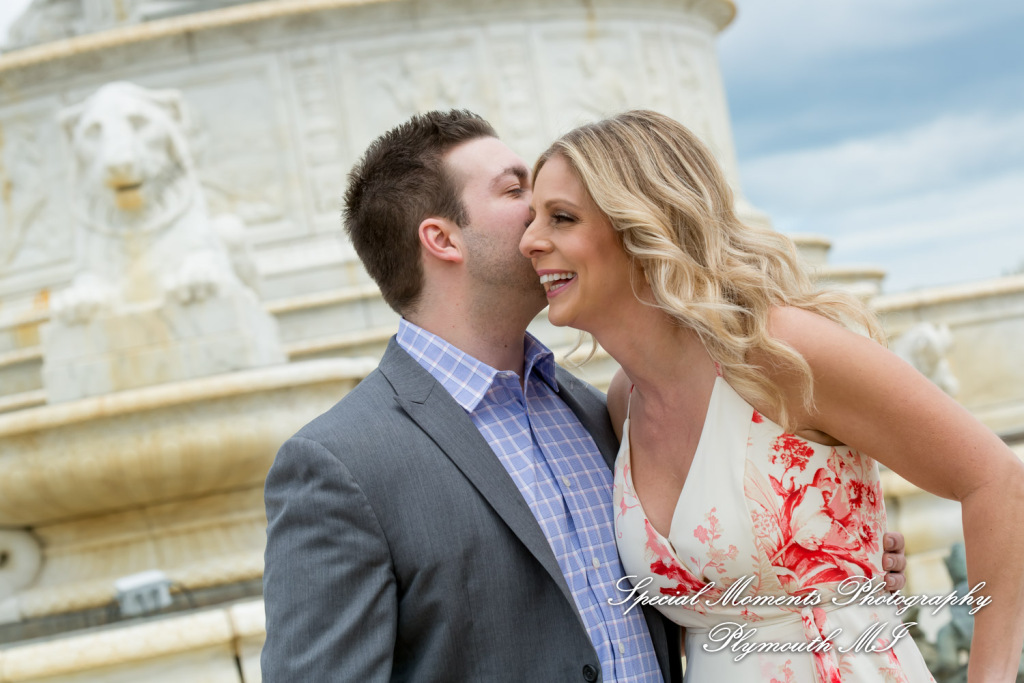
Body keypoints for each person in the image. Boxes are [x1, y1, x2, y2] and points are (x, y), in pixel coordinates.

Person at [261, 109, 907, 682]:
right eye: (516, 190)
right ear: (442, 239)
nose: (541, 208)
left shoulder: (609, 410)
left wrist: (823, 557)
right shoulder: (339, 466)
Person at [520, 109, 1024, 681]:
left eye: (562, 218)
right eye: (532, 217)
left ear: (644, 225)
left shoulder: (777, 352)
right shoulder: (624, 402)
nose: (530, 240)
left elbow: (997, 481)